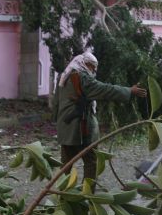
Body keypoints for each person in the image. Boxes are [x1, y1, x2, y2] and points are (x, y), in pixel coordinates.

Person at [53, 52, 147, 183]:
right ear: (86, 64)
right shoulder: (82, 77)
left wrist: (57, 121)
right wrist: (129, 91)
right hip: (81, 128)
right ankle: (88, 196)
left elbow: (56, 102)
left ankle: (63, 197)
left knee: (66, 165)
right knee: (91, 161)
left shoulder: (64, 76)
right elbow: (104, 89)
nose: (94, 71)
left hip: (66, 126)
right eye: (92, 67)